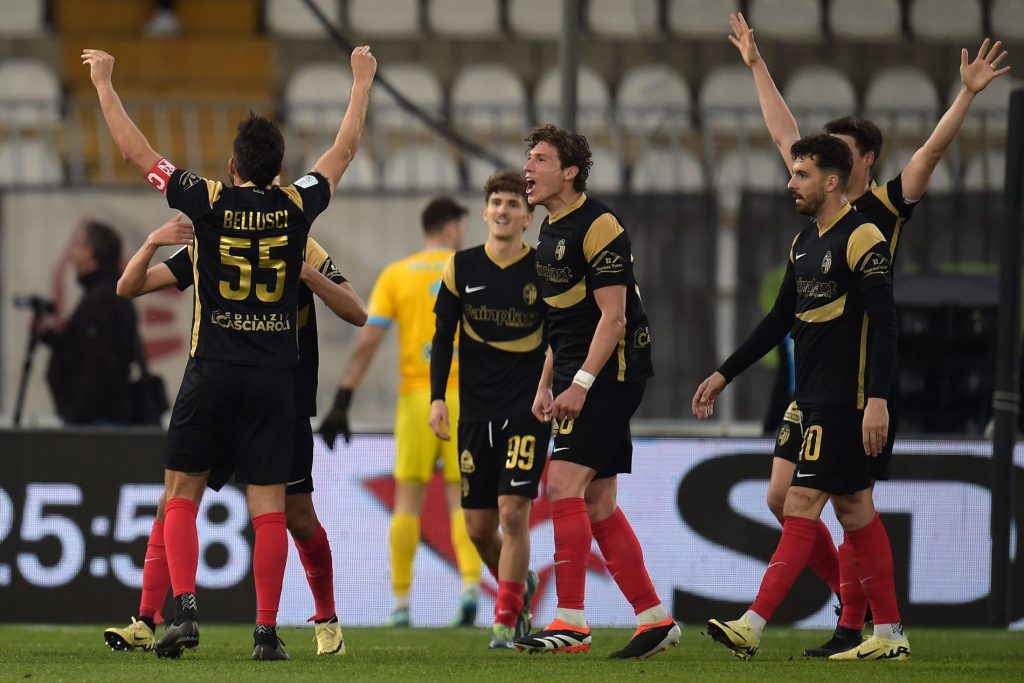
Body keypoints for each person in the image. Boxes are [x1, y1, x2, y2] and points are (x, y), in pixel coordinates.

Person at [727, 12, 1010, 657]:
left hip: (858, 378)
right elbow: (783, 132)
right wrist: (756, 64)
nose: (814, 158)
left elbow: (931, 153)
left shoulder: (882, 209)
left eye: (837, 150)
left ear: (862, 161)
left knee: (841, 504)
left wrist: (965, 94)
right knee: (788, 499)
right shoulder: (816, 213)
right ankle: (858, 611)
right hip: (815, 378)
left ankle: (855, 624)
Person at [82, 44, 376, 660]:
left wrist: (105, 84)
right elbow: (344, 150)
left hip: (213, 368)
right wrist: (360, 82)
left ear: (232, 164)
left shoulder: (207, 201)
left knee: (179, 494)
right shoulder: (298, 207)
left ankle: (185, 612)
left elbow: (137, 154)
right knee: (268, 507)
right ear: (281, 167)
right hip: (274, 377)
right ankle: (265, 633)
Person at [103, 214, 366, 657]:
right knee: (173, 500)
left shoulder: (303, 245)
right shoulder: (218, 238)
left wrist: (305, 272)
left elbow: (356, 311)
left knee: (298, 516)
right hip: (225, 396)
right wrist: (152, 242)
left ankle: (326, 620)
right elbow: (130, 286)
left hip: (282, 401)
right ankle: (147, 620)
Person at [693, 133, 906, 661]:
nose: (791, 183)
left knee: (800, 502)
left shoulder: (863, 236)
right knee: (854, 510)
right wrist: (725, 373)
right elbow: (777, 321)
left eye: (802, 174)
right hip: (810, 398)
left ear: (832, 182)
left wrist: (877, 400)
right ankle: (889, 634)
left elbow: (885, 324)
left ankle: (752, 624)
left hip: (846, 398)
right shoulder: (804, 241)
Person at [512, 125, 680, 659]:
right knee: (598, 500)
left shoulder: (599, 224)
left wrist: (580, 385)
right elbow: (561, 325)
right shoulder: (548, 230)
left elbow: (614, 317)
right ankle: (653, 618)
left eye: (540, 159)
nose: (527, 168)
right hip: (578, 373)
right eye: (528, 158)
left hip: (612, 373)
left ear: (570, 172)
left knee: (562, 485)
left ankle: (571, 620)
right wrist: (547, 383)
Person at [318, 196, 483, 627]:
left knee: (408, 501)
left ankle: (401, 602)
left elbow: (368, 341)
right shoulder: (473, 270)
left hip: (417, 399)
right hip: (468, 398)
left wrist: (343, 399)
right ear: (452, 228)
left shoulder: (397, 274)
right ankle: (470, 587)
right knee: (464, 499)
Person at [428, 171, 546, 649]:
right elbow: (442, 338)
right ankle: (521, 584)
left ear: (528, 217)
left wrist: (552, 390)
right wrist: (438, 397)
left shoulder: (543, 272)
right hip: (476, 412)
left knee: (513, 513)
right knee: (478, 528)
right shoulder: (460, 267)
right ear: (484, 211)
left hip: (526, 411)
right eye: (496, 201)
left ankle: (506, 619)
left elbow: (560, 341)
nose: (503, 210)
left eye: (513, 203)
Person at [37, 220, 139, 425]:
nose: (73, 254)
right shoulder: (109, 293)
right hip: (100, 418)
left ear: (90, 253)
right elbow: (83, 348)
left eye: (78, 245)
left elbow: (97, 363)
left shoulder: (101, 299)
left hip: (97, 421)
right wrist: (51, 337)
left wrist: (77, 417)